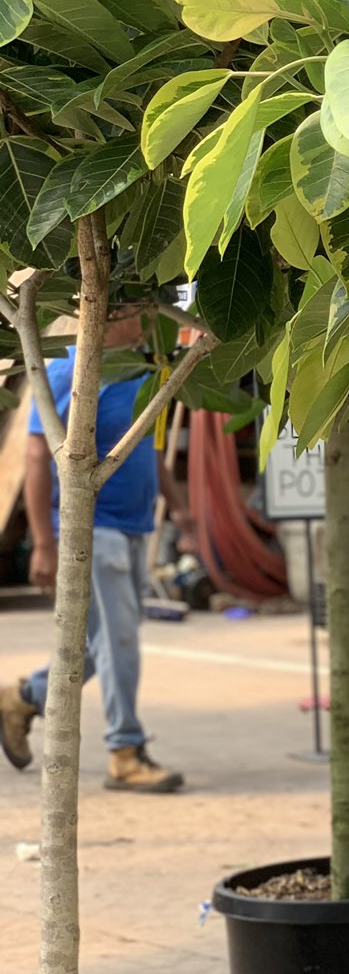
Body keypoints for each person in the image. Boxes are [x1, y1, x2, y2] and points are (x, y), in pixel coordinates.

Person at [0, 307, 189, 793]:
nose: (147, 320)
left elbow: (148, 448)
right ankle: (125, 751)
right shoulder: (72, 372)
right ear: (105, 313)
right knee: (120, 638)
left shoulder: (144, 370)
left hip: (135, 525)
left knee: (105, 640)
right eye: (135, 310)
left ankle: (23, 697)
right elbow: (38, 456)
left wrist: (180, 509)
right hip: (92, 526)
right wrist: (44, 543)